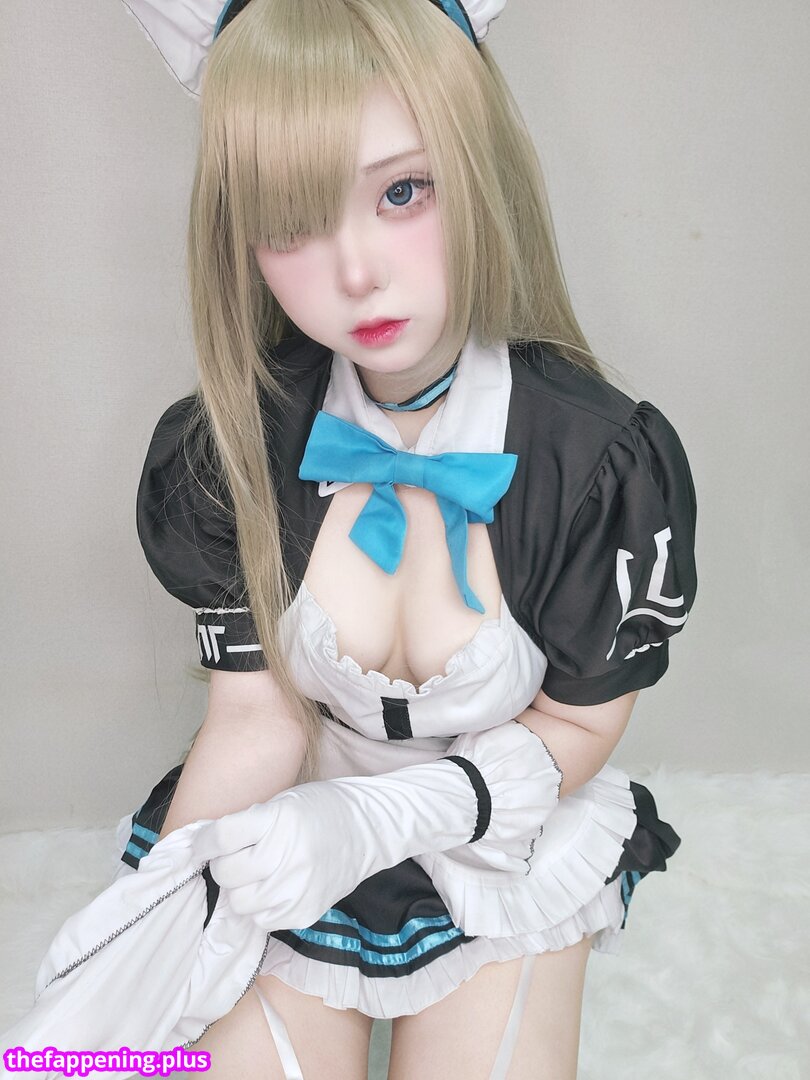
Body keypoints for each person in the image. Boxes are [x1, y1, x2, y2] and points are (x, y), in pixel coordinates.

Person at [109, 0, 695, 1076]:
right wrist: (155, 920)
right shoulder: (232, 448)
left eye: (401, 192)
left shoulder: (595, 461)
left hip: (502, 832)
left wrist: (385, 818)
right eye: (291, 219)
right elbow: (255, 719)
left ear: (477, 161)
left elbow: (577, 725)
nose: (357, 272)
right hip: (290, 823)